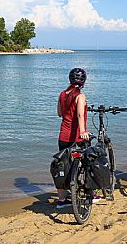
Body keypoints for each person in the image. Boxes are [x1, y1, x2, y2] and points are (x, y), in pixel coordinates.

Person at [56, 68, 90, 208]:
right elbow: (80, 115)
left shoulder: (62, 94)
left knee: (63, 166)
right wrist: (83, 131)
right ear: (83, 81)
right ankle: (89, 195)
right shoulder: (80, 96)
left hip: (63, 136)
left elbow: (59, 113)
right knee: (87, 164)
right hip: (76, 137)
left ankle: (62, 200)